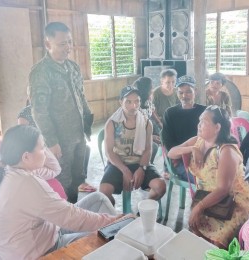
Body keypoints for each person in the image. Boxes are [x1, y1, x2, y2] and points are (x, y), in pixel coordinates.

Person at [0, 125, 127, 260]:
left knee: (98, 198)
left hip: (45, 233)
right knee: (108, 238)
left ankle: (121, 231)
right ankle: (124, 234)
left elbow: (55, 169)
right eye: (42, 148)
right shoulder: (26, 183)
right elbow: (71, 216)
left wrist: (39, 140)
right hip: (41, 252)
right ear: (26, 156)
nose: (46, 152)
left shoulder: (11, 170)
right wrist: (115, 222)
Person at [168, 106, 249, 248]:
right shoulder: (198, 141)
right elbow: (171, 152)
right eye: (199, 121)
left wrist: (199, 207)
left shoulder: (226, 151)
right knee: (195, 231)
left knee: (216, 241)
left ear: (217, 127)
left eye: (204, 122)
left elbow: (223, 190)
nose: (198, 125)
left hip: (234, 202)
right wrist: (191, 149)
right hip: (209, 197)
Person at [29, 22, 94, 202]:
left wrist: (87, 125)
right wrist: (52, 141)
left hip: (78, 135)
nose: (68, 48)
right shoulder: (41, 72)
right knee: (61, 180)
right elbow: (39, 111)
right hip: (59, 140)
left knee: (77, 176)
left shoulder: (73, 67)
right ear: (48, 44)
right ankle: (62, 222)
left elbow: (81, 97)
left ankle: (72, 211)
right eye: (62, 44)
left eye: (70, 42)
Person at [99, 86, 166, 205]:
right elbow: (109, 151)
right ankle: (115, 217)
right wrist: (124, 170)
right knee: (103, 192)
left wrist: (142, 168)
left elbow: (148, 149)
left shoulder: (146, 123)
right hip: (118, 164)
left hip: (140, 162)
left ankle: (144, 209)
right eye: (128, 102)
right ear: (121, 102)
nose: (133, 106)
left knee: (161, 186)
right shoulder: (112, 123)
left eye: (137, 101)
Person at [17, 100, 95, 193]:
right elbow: (23, 135)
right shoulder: (25, 113)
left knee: (84, 149)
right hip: (39, 147)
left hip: (54, 143)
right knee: (59, 163)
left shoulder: (52, 110)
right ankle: (67, 185)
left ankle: (80, 181)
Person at [161, 75, 206, 182]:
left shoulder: (205, 111)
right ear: (177, 93)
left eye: (188, 92)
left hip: (203, 155)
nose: (184, 96)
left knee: (220, 176)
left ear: (195, 91)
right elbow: (170, 148)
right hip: (179, 159)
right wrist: (191, 150)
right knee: (204, 180)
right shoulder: (170, 113)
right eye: (180, 92)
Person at [133, 76, 162, 164]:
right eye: (151, 87)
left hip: (150, 124)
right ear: (146, 89)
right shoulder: (136, 105)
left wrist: (159, 122)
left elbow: (152, 112)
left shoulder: (148, 100)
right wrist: (151, 137)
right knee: (155, 145)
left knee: (164, 135)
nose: (153, 89)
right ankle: (147, 163)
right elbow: (135, 127)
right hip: (140, 130)